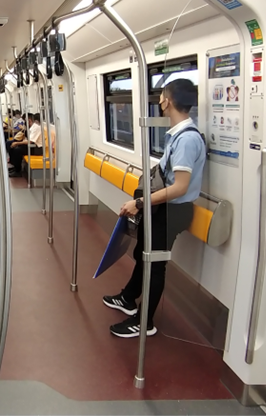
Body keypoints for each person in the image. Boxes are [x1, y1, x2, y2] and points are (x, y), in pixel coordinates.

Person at [103, 79, 205, 338]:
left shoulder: (186, 140)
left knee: (154, 264)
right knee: (143, 254)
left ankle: (145, 321)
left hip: (173, 210)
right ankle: (128, 298)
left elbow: (180, 186)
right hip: (162, 207)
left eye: (160, 96)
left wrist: (138, 202)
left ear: (167, 101)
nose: (159, 101)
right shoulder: (177, 135)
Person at [7, 113, 44, 177]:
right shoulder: (32, 128)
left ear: (29, 120)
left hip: (37, 149)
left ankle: (18, 171)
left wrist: (17, 143)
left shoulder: (36, 128)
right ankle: (15, 167)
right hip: (33, 146)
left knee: (17, 150)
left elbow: (30, 141)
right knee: (14, 148)